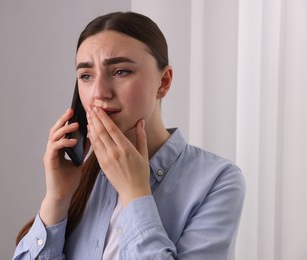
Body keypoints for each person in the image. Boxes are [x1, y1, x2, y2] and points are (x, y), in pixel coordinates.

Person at [13, 11, 245, 260]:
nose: (99, 93)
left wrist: (135, 192)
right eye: (86, 76)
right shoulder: (80, 181)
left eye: (120, 71)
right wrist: (57, 198)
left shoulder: (218, 181)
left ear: (163, 82)